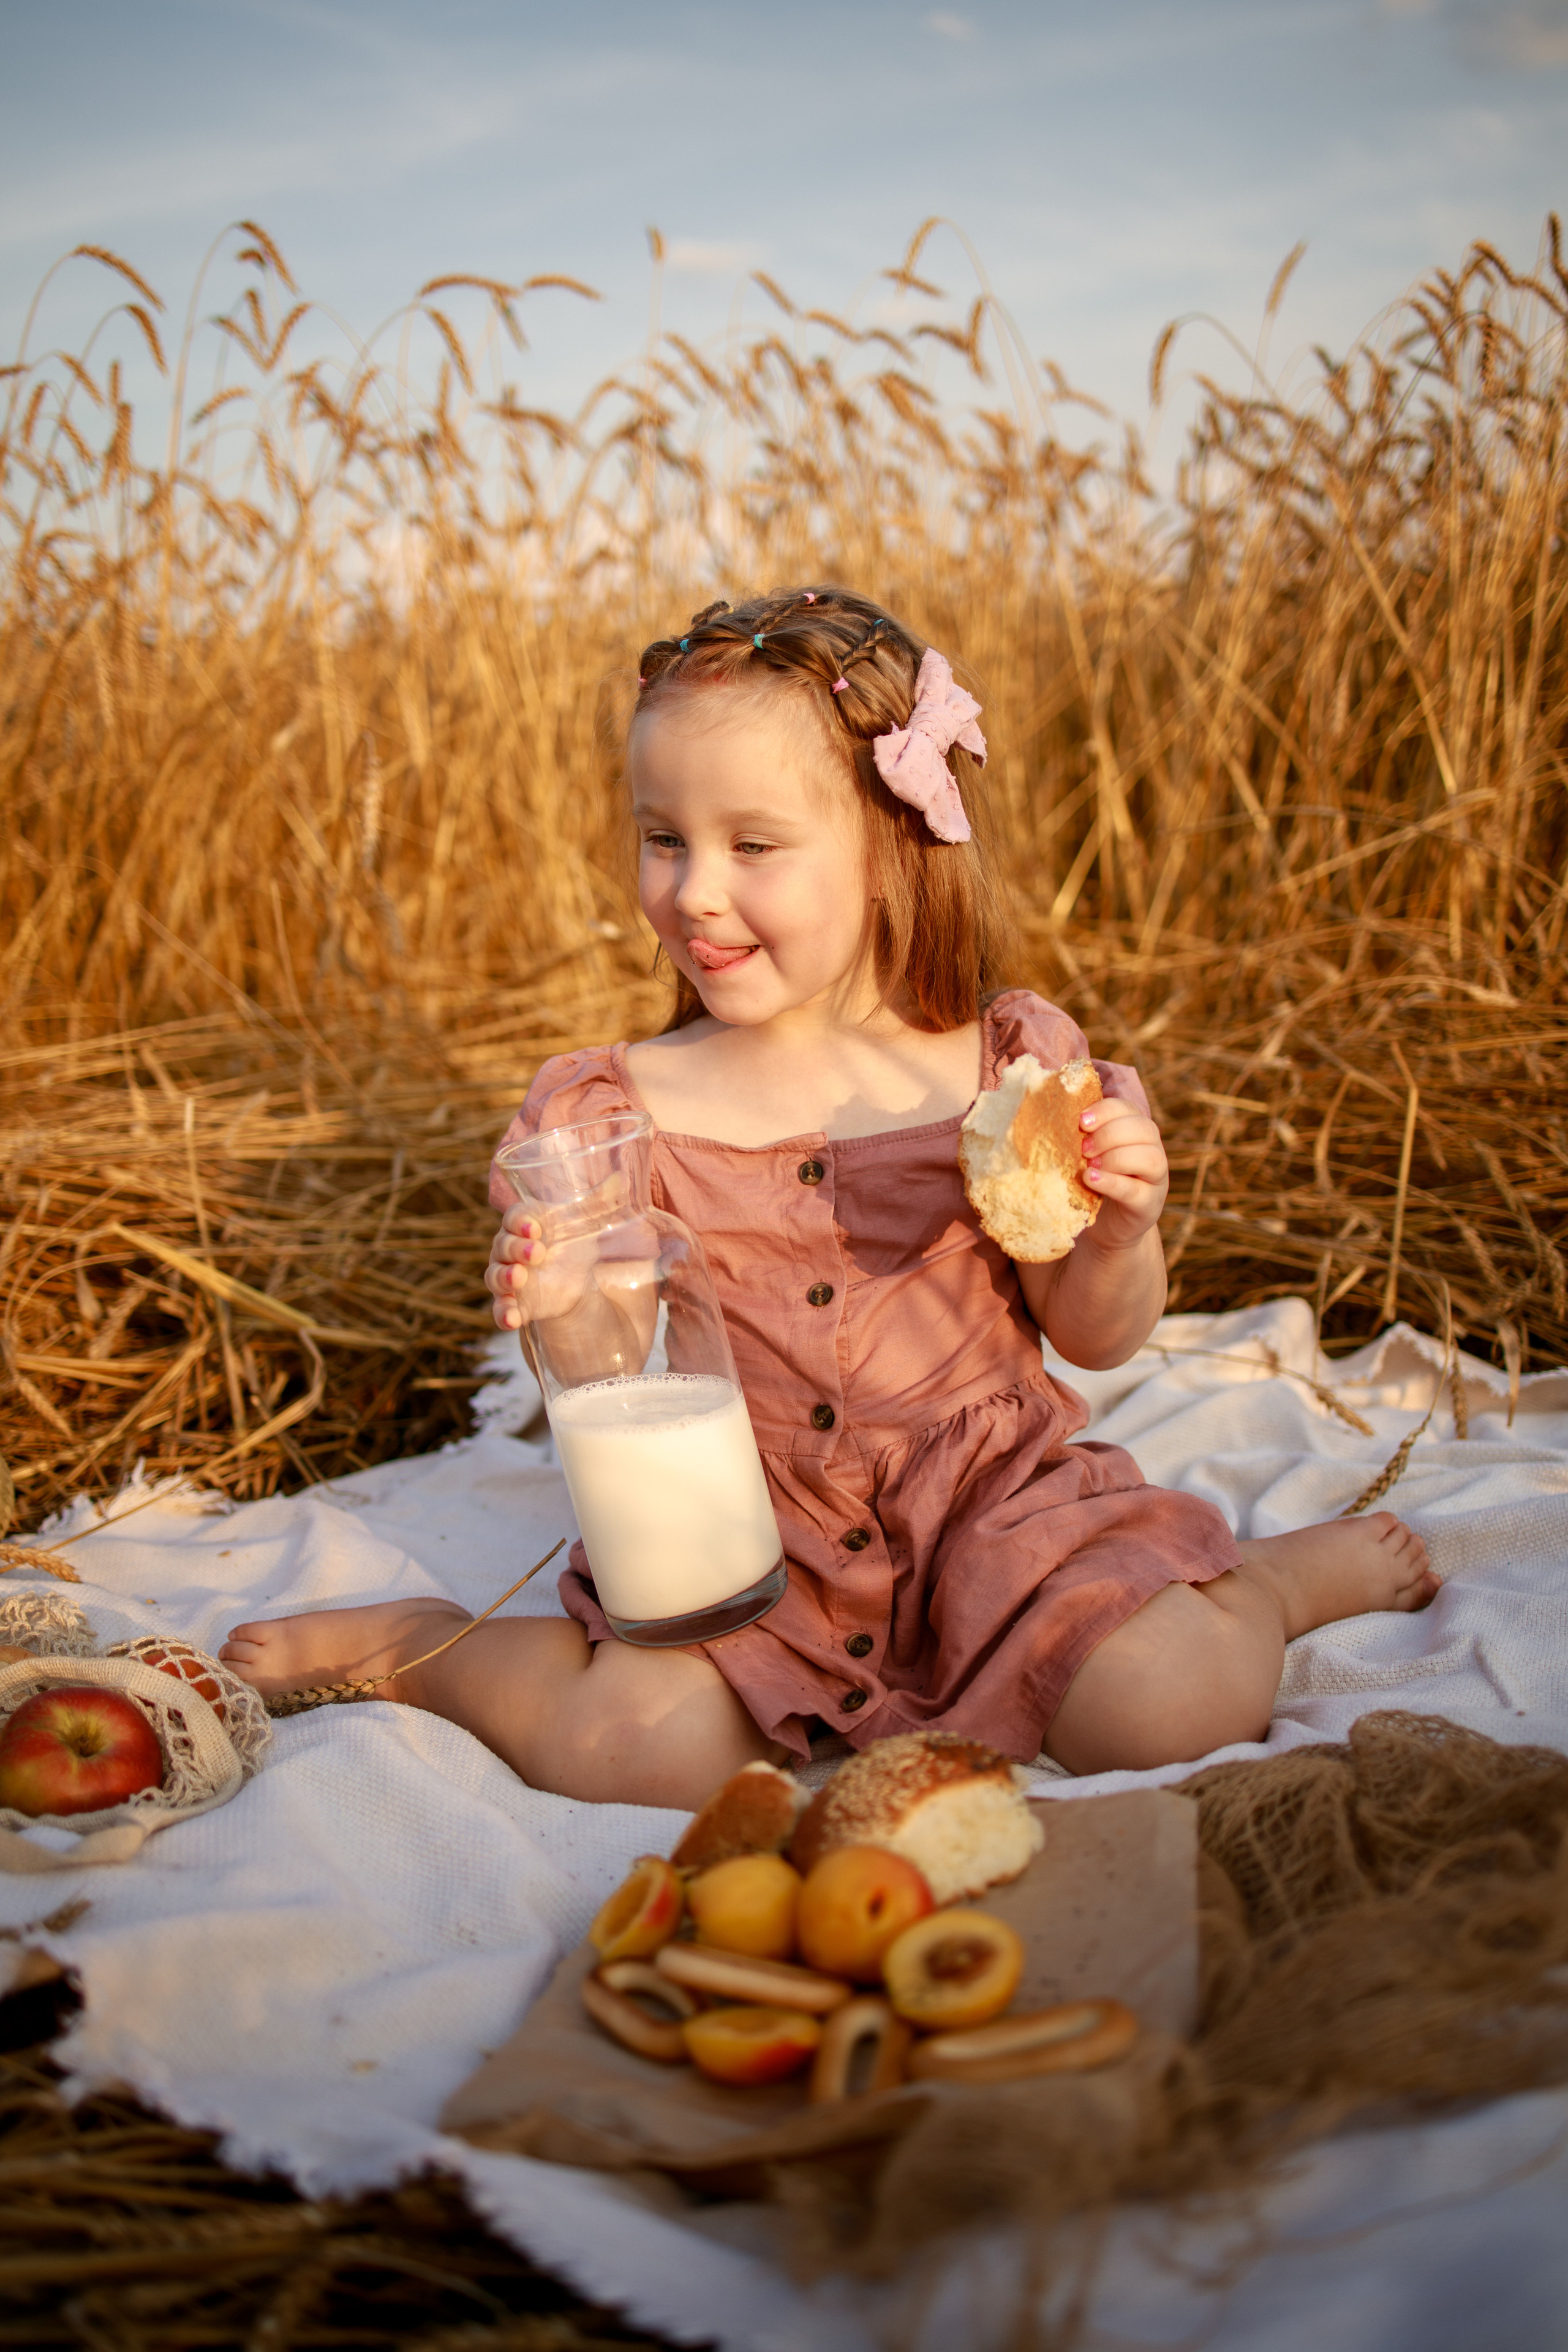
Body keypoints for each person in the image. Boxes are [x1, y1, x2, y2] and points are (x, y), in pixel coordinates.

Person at [224, 587, 1435, 1809]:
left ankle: (1267, 1587)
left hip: (992, 1518)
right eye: (663, 839)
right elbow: (609, 1377)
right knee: (636, 1754)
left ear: (886, 843)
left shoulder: (1002, 1070)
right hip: (742, 1534)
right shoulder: (614, 1108)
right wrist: (563, 1304)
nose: (694, 893)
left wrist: (1122, 1230)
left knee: (1169, 1704)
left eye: (751, 847)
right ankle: (427, 1651)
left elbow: (1092, 1332)